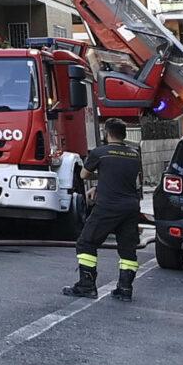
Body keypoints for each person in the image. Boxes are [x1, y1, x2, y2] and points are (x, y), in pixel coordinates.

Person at [66, 119, 146, 302]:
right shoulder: (135, 155)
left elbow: (83, 174)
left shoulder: (100, 153)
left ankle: (87, 286)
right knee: (128, 249)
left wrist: (99, 180)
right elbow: (134, 180)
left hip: (108, 206)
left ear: (106, 133)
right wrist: (103, 184)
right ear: (124, 134)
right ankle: (125, 289)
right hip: (131, 207)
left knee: (86, 243)